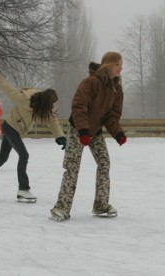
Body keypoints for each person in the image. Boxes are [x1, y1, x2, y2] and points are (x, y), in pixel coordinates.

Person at [50, 51, 126, 222]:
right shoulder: (91, 82)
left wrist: (118, 133)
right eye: (117, 64)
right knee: (72, 165)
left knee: (104, 163)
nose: (120, 68)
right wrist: (83, 131)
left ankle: (100, 204)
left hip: (96, 131)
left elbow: (112, 116)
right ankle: (62, 207)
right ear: (108, 64)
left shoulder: (117, 89)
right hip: (78, 128)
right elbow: (79, 106)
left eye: (121, 65)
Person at [0, 70, 66, 202]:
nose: (52, 107)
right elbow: (6, 87)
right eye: (51, 104)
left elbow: (52, 120)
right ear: (45, 102)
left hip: (14, 128)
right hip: (9, 127)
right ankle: (23, 189)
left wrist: (60, 136)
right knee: (24, 155)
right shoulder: (24, 99)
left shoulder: (42, 108)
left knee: (2, 158)